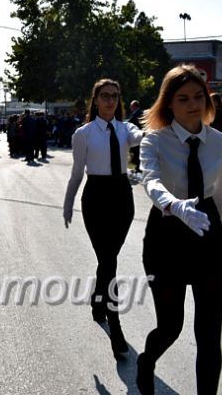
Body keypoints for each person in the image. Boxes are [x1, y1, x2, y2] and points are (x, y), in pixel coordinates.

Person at [135, 65, 222, 395]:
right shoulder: (155, 140)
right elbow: (150, 180)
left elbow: (218, 195)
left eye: (198, 96)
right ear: (169, 104)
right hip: (166, 236)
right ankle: (146, 362)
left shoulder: (221, 143)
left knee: (209, 335)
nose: (193, 104)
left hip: (208, 236)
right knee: (170, 327)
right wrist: (174, 205)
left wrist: (215, 234)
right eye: (182, 98)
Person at [63, 79, 144, 358]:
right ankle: (116, 326)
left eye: (115, 96)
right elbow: (76, 173)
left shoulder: (126, 129)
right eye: (105, 96)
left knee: (108, 260)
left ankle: (99, 300)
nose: (110, 100)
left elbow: (139, 137)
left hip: (122, 198)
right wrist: (68, 202)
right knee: (109, 261)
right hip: (95, 199)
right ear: (95, 100)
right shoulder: (83, 133)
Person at [127, 100, 143, 173]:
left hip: (138, 135)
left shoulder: (137, 113)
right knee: (137, 152)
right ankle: (138, 167)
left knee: (137, 152)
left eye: (131, 106)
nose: (130, 107)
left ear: (134, 106)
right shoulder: (140, 112)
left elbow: (130, 122)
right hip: (139, 134)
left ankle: (138, 168)